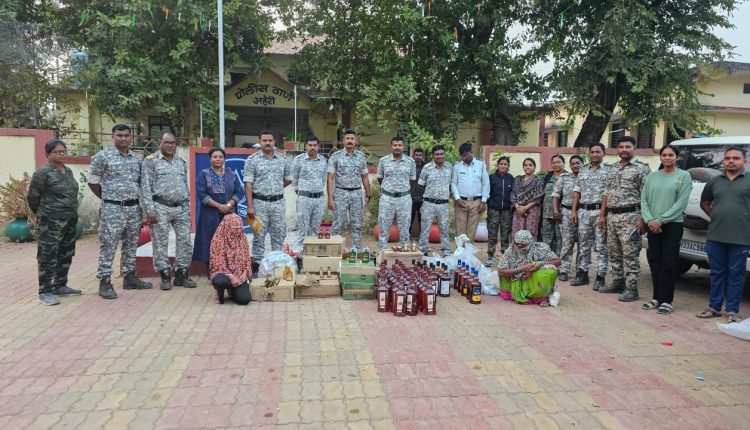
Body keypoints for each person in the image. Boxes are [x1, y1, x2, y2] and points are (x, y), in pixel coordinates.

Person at [88, 124, 153, 299]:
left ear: (131, 137)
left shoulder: (137, 159)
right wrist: (107, 198)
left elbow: (142, 185)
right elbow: (93, 182)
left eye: (126, 135)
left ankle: (129, 277)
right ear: (113, 136)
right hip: (112, 209)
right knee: (108, 245)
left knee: (131, 244)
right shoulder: (102, 157)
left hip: (133, 208)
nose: (123, 138)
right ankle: (104, 281)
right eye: (119, 135)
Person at [696, 147, 750, 323]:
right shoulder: (714, 181)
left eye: (736, 158)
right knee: (717, 273)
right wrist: (716, 217)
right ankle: (714, 307)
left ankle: (733, 310)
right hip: (716, 235)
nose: (731, 161)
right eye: (727, 158)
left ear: (744, 161)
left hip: (741, 237)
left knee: (737, 274)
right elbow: (705, 203)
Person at [27, 139, 82, 305]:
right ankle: (44, 291)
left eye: (64, 151)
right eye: (57, 152)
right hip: (50, 221)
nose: (62, 154)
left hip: (69, 219)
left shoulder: (68, 171)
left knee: (65, 253)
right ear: (48, 155)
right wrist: (42, 214)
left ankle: (60, 285)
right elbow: (33, 196)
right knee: (47, 255)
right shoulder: (43, 172)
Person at [141, 133, 197, 290]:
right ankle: (165, 275)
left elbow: (184, 185)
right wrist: (150, 209)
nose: (170, 145)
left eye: (173, 143)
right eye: (167, 142)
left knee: (185, 241)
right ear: (160, 142)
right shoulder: (151, 161)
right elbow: (145, 186)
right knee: (160, 242)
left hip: (180, 207)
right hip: (160, 207)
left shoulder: (181, 161)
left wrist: (186, 206)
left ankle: (181, 273)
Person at [598, 136, 651, 301]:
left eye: (628, 147)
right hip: (612, 216)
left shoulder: (642, 168)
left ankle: (632, 288)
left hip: (631, 217)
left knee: (630, 254)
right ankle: (618, 282)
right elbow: (606, 193)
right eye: (621, 147)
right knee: (614, 252)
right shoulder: (613, 168)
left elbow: (646, 195)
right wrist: (602, 215)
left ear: (634, 148)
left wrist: (643, 218)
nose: (624, 150)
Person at [640, 145, 691, 314]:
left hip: (672, 225)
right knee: (654, 260)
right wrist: (650, 220)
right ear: (660, 157)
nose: (667, 158)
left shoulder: (684, 176)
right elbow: (644, 200)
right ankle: (656, 298)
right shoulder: (652, 177)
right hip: (652, 225)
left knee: (669, 262)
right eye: (664, 155)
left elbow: (681, 203)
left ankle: (667, 300)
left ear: (677, 157)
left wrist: (661, 221)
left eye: (671, 155)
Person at [244, 130, 292, 274]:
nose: (267, 143)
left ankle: (276, 266)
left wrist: (275, 188)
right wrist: (250, 206)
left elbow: (288, 179)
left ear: (274, 142)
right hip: (259, 203)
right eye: (264, 140)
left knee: (278, 235)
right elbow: (248, 184)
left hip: (278, 203)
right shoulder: (252, 160)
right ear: (260, 142)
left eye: (270, 140)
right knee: (258, 236)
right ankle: (257, 269)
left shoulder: (282, 159)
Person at [192, 147, 243, 268]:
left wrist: (228, 205)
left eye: (220, 157)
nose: (218, 159)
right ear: (210, 159)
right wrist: (219, 206)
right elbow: (202, 194)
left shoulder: (232, 174)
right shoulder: (204, 174)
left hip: (229, 214)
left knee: (229, 240)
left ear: (224, 159)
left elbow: (239, 192)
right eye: (214, 157)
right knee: (210, 240)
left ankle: (228, 269)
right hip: (210, 215)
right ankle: (211, 270)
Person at [570, 143, 610, 289]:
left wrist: (603, 215)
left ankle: (600, 277)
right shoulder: (583, 170)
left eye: (597, 152)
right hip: (584, 212)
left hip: (600, 212)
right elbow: (577, 191)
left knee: (601, 246)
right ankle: (583, 274)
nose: (594, 154)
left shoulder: (609, 170)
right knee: (583, 245)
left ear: (604, 153)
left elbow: (607, 193)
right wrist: (574, 211)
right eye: (592, 152)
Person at [327, 129, 371, 251]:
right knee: (337, 223)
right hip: (340, 193)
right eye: (347, 138)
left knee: (357, 224)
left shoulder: (361, 157)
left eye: (352, 139)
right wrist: (330, 198)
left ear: (355, 141)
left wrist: (368, 195)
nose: (350, 141)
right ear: (343, 141)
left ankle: (356, 250)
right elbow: (330, 178)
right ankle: (334, 249)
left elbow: (365, 177)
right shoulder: (335, 157)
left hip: (356, 193)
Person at [497, 230, 561, 306]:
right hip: (515, 278)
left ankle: (541, 296)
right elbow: (500, 272)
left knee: (550, 270)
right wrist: (521, 269)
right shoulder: (510, 251)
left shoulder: (541, 248)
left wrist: (541, 263)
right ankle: (518, 292)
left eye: (523, 245)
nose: (519, 246)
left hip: (534, 277)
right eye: (517, 244)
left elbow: (558, 261)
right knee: (505, 273)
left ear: (530, 242)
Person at [376, 137, 417, 252]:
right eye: (395, 145)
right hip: (387, 198)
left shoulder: (410, 162)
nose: (397, 147)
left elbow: (412, 180)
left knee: (404, 229)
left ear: (403, 147)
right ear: (391, 146)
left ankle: (403, 254)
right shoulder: (383, 161)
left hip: (404, 199)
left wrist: (402, 190)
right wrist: (390, 190)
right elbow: (380, 178)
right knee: (383, 228)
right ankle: (381, 253)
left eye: (399, 145)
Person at [292, 135, 328, 251]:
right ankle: (299, 254)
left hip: (319, 199)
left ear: (318, 146)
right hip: (304, 199)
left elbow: (323, 179)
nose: (312, 147)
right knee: (303, 229)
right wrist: (303, 194)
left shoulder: (323, 160)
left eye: (315, 145)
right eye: (310, 145)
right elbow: (294, 180)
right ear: (306, 146)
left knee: (316, 229)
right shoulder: (298, 160)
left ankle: (313, 253)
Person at [551, 154, 583, 281]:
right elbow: (555, 195)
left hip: (583, 212)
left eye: (577, 163)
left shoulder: (586, 177)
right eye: (573, 163)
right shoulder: (564, 178)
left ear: (582, 164)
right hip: (567, 213)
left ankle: (581, 270)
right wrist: (555, 210)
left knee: (583, 243)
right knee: (567, 242)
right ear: (569, 165)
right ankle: (564, 269)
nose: (575, 165)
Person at [418, 145, 453, 256]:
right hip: (429, 203)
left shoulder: (450, 167)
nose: (439, 156)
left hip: (443, 204)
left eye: (441, 154)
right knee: (425, 228)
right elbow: (420, 186)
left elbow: (452, 185)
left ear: (444, 154)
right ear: (433, 156)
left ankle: (446, 251)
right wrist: (429, 195)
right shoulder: (427, 168)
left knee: (444, 229)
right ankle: (423, 250)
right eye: (437, 154)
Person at [210, 213, 252, 305]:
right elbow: (218, 264)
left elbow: (247, 258)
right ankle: (220, 293)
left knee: (244, 299)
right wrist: (232, 277)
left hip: (239, 273)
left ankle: (232, 291)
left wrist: (245, 272)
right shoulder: (218, 240)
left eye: (240, 227)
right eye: (235, 228)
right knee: (221, 281)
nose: (238, 230)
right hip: (224, 273)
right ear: (228, 227)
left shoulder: (242, 237)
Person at [451, 143, 489, 241]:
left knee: (471, 232)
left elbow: (486, 183)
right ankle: (460, 250)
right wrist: (457, 198)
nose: (464, 158)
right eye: (462, 156)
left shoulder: (481, 165)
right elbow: (454, 183)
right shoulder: (457, 166)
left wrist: (483, 201)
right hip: (461, 202)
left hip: (476, 203)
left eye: (466, 155)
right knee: (460, 232)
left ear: (471, 153)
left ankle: (469, 251)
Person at [486, 156, 514, 267]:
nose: (503, 166)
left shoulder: (511, 178)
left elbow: (513, 194)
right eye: (501, 164)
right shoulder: (491, 178)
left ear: (508, 166)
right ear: (498, 165)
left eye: (505, 164)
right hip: (493, 210)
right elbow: (487, 192)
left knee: (505, 234)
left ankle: (505, 257)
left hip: (506, 211)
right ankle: (490, 255)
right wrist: (490, 204)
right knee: (492, 233)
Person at [510, 158, 544, 240]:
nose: (527, 167)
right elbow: (513, 194)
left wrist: (526, 207)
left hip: (532, 210)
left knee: (530, 233)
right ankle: (517, 248)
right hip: (518, 210)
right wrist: (517, 206)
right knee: (517, 233)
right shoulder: (517, 179)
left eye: (530, 165)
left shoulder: (538, 180)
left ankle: (530, 248)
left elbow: (538, 196)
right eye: (525, 165)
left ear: (534, 167)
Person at [541, 154, 566, 254]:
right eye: (554, 163)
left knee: (560, 239)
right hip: (547, 213)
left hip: (562, 214)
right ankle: (547, 259)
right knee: (546, 239)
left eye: (558, 162)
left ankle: (559, 259)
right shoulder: (547, 177)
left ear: (564, 163)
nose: (556, 165)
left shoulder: (568, 177)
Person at [410, 148, 425, 237]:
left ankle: (422, 239)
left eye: (420, 155)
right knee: (409, 220)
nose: (418, 157)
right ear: (413, 156)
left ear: (423, 156)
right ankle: (407, 238)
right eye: (416, 155)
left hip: (423, 199)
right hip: (410, 198)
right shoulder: (409, 167)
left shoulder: (426, 168)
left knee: (422, 221)